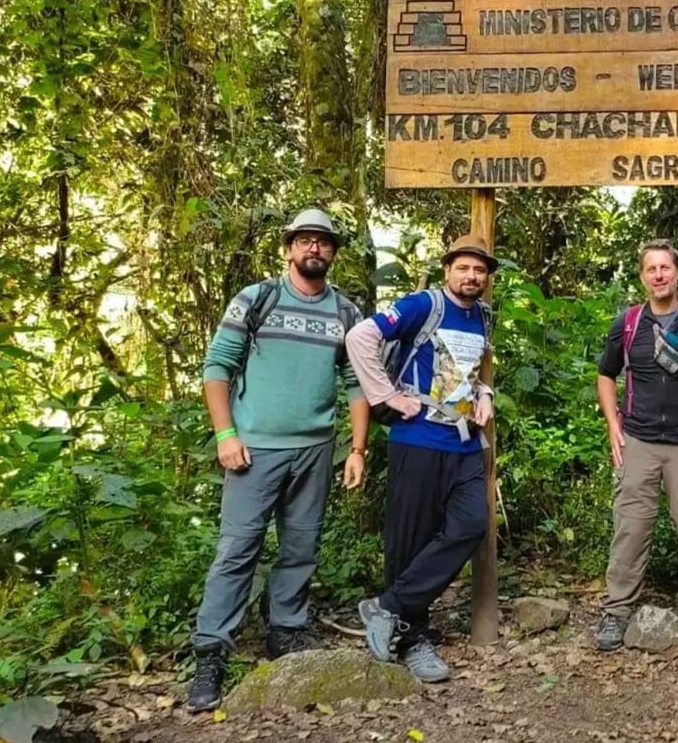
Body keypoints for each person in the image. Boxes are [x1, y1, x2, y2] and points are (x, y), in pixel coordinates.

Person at [186, 209, 370, 713]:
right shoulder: (257, 298)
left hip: (314, 449)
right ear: (290, 248)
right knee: (238, 548)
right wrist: (225, 433)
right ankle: (211, 655)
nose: (315, 249)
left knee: (301, 545)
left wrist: (357, 449)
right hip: (255, 447)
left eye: (324, 242)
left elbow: (357, 382)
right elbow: (217, 366)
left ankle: (285, 631)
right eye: (305, 241)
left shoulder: (346, 313)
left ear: (333, 253)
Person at [345, 235, 497, 683]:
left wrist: (484, 393)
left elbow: (469, 370)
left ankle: (387, 607)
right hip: (418, 438)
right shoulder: (422, 304)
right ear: (448, 269)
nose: (472, 276)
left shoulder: (483, 315)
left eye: (480, 270)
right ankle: (412, 639)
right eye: (464, 268)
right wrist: (386, 395)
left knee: (471, 524)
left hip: (466, 442)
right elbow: (361, 337)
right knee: (408, 540)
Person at [593, 239, 678, 653]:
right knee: (630, 528)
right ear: (642, 277)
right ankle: (617, 610)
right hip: (639, 441)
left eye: (665, 267)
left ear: (677, 271)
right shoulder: (629, 323)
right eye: (651, 269)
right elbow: (606, 374)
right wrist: (612, 422)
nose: (659, 275)